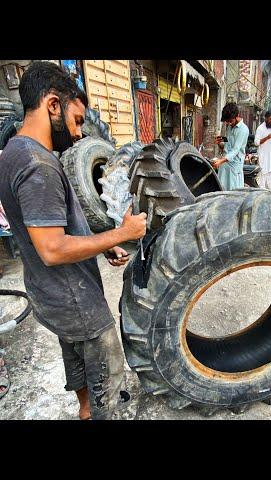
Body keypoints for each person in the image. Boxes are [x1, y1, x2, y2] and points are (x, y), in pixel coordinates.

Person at [0, 61, 147, 420]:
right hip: (76, 301)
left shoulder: (13, 153)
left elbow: (48, 230)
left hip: (50, 294)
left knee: (80, 372)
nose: (80, 134)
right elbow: (52, 249)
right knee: (108, 388)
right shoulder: (39, 166)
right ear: (52, 104)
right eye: (77, 120)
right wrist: (123, 233)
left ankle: (85, 411)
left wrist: (101, 240)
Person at [212, 102, 249, 190]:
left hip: (234, 166)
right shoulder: (230, 127)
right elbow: (228, 142)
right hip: (225, 165)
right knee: (222, 190)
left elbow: (235, 150)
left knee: (233, 193)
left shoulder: (243, 130)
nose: (228, 123)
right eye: (227, 122)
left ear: (237, 116)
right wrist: (220, 141)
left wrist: (220, 161)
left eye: (230, 121)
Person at [254, 111, 271, 192]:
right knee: (262, 179)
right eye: (270, 119)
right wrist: (267, 137)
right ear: (265, 118)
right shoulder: (260, 128)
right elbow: (256, 142)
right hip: (264, 158)